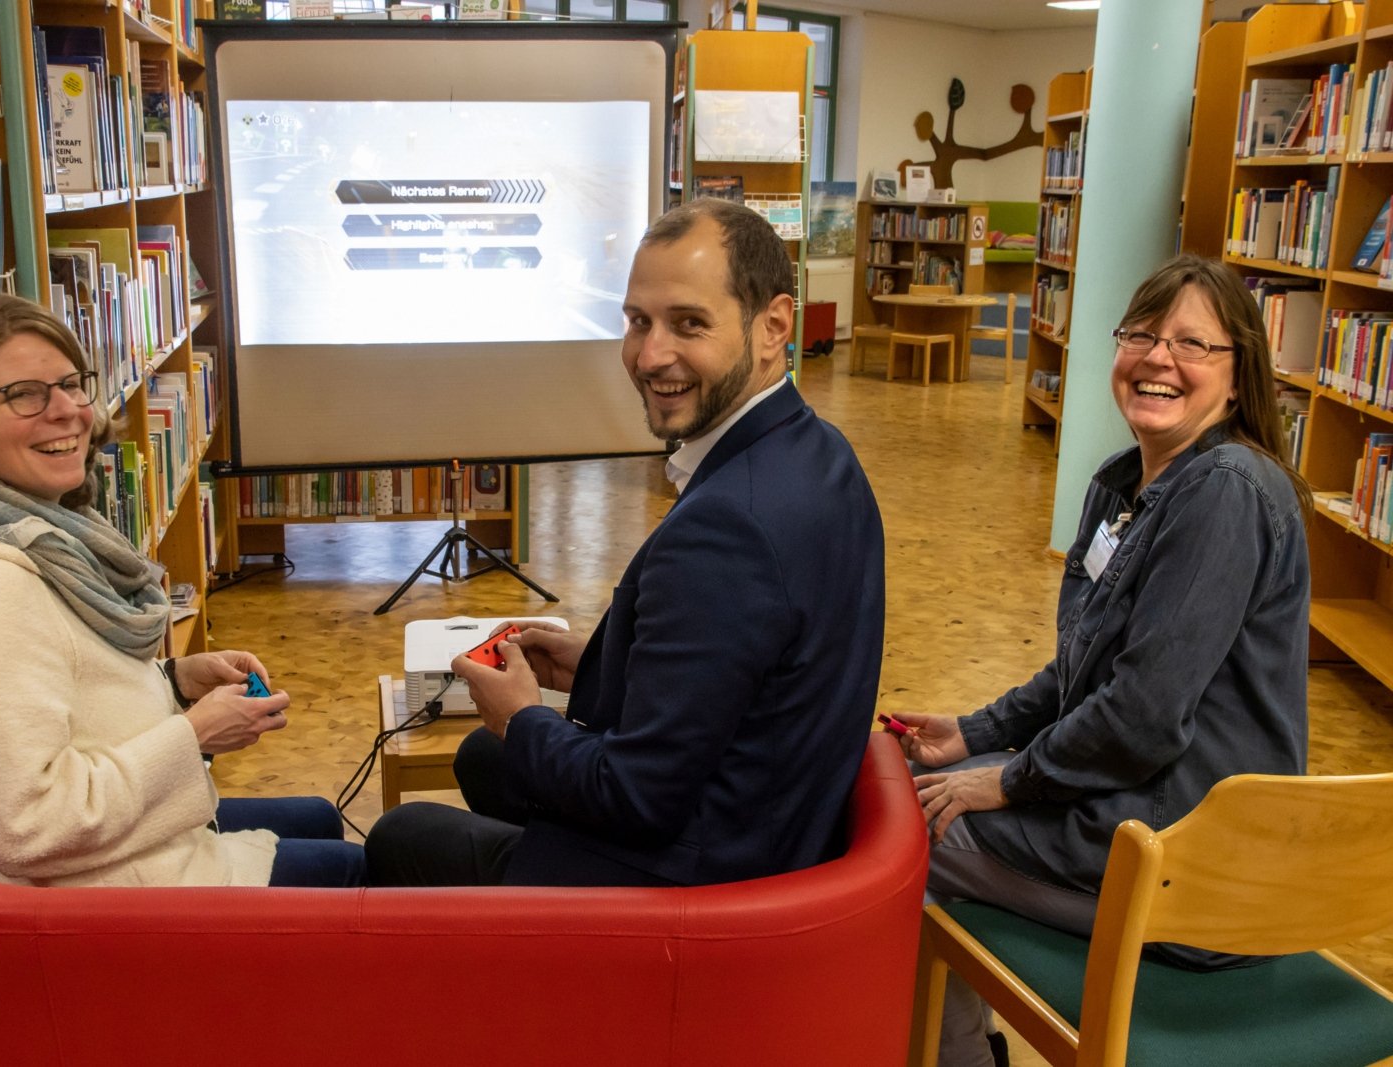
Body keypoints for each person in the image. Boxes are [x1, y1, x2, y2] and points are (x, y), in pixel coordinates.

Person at [365, 198, 886, 888]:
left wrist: (522, 718)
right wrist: (599, 666)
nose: (649, 355)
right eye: (638, 321)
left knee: (403, 834)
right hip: (768, 816)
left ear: (774, 326)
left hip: (695, 880)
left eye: (688, 324)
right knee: (477, 759)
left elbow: (637, 798)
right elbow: (745, 671)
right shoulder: (820, 454)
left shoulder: (726, 528)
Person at [895, 253, 1311, 1067]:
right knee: (938, 790)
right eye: (1142, 335)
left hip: (1188, 853)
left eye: (1193, 344)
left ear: (1237, 378)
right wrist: (975, 730)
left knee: (911, 831)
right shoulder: (1125, 484)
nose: (1158, 358)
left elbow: (1139, 718)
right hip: (1143, 809)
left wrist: (1005, 777)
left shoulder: (1225, 491)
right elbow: (1083, 673)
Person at [0, 294, 365, 889]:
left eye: (70, 383)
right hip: (100, 899)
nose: (68, 411)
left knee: (323, 821)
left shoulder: (25, 528)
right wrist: (196, 734)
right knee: (361, 867)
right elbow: (27, 827)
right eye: (24, 394)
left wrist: (173, 683)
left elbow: (62, 690)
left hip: (117, 853)